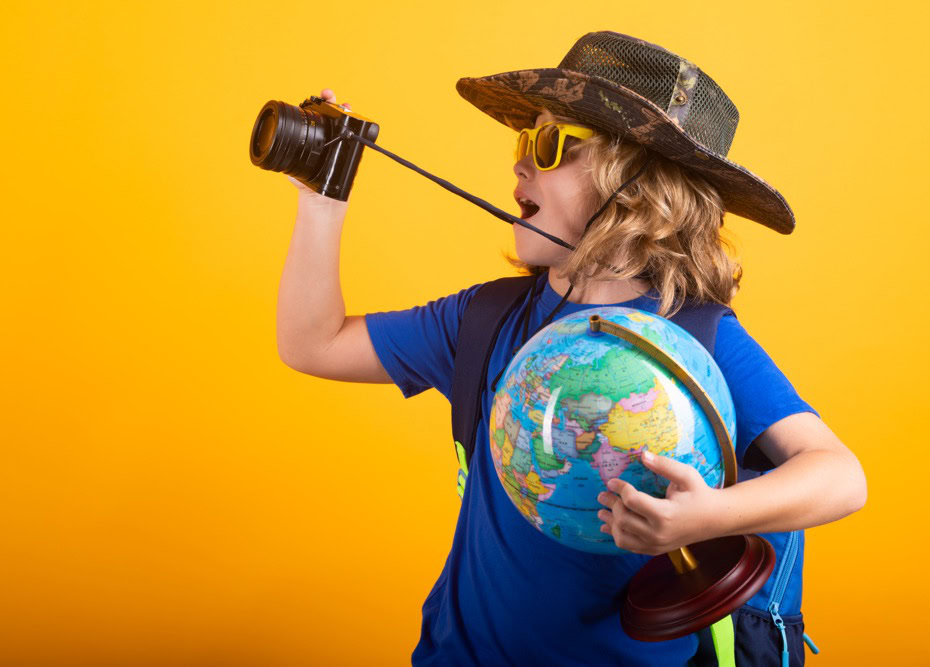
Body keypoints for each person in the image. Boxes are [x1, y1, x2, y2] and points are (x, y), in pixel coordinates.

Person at [276, 31, 867, 666]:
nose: (520, 163)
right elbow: (313, 344)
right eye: (524, 140)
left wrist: (708, 516)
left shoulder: (698, 340)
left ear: (637, 186)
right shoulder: (487, 318)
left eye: (551, 144)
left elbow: (840, 477)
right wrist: (322, 199)